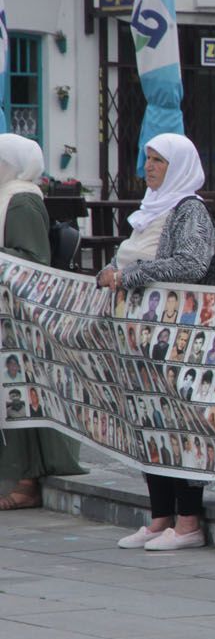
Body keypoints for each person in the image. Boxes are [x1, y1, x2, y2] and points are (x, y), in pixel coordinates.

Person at [100, 134, 214, 551]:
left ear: (179, 165)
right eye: (146, 158)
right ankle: (160, 516)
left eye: (159, 160)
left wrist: (127, 276)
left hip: (177, 336)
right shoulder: (151, 209)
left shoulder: (189, 210)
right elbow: (131, 257)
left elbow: (192, 263)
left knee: (182, 424)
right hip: (141, 337)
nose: (148, 167)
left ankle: (188, 522)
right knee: (150, 421)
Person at [0, 136, 84, 508]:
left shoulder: (21, 200)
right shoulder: (7, 196)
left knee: (19, 395)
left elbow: (33, 258)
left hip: (19, 318)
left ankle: (26, 481)